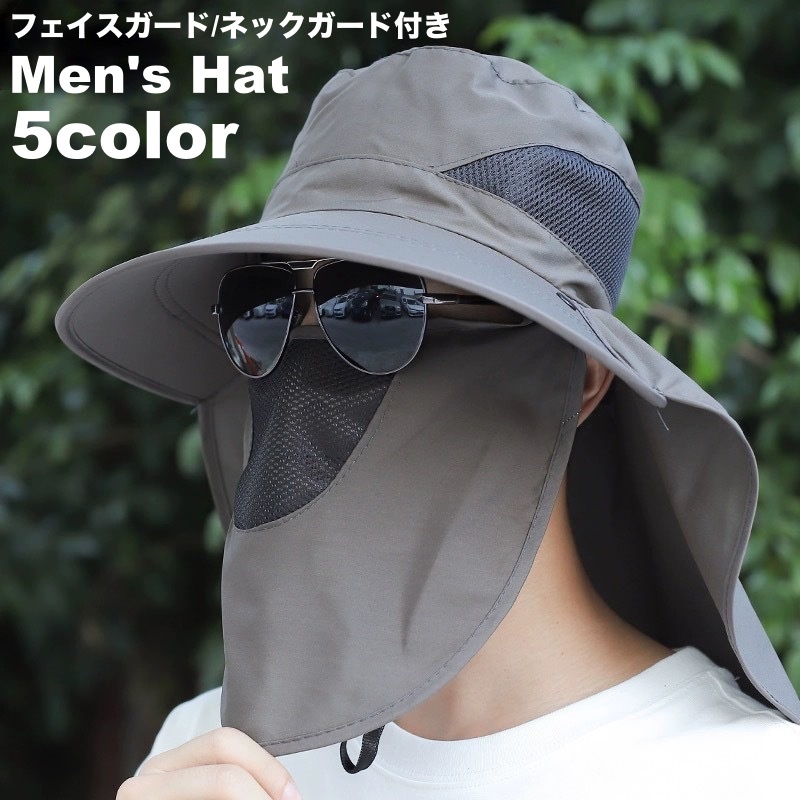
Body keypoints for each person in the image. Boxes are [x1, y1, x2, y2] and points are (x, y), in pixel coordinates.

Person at [55, 47, 800, 799]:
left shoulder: (749, 776)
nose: (303, 368)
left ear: (578, 378)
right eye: (264, 309)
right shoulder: (211, 753)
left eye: (373, 306)